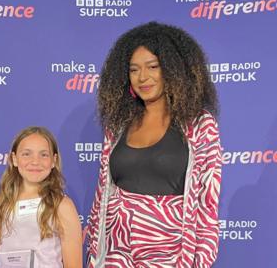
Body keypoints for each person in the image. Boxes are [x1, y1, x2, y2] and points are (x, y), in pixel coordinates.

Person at [86, 22, 222, 268]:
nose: (143, 77)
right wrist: (95, 254)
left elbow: (207, 205)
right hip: (116, 253)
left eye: (153, 67)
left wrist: (200, 261)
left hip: (170, 254)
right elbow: (101, 197)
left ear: (172, 69)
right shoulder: (117, 126)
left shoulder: (199, 124)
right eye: (134, 69)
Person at [0, 126, 82, 268]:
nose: (35, 161)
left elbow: (74, 264)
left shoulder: (62, 205)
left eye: (44, 155)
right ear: (14, 159)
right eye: (26, 154)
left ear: (54, 160)